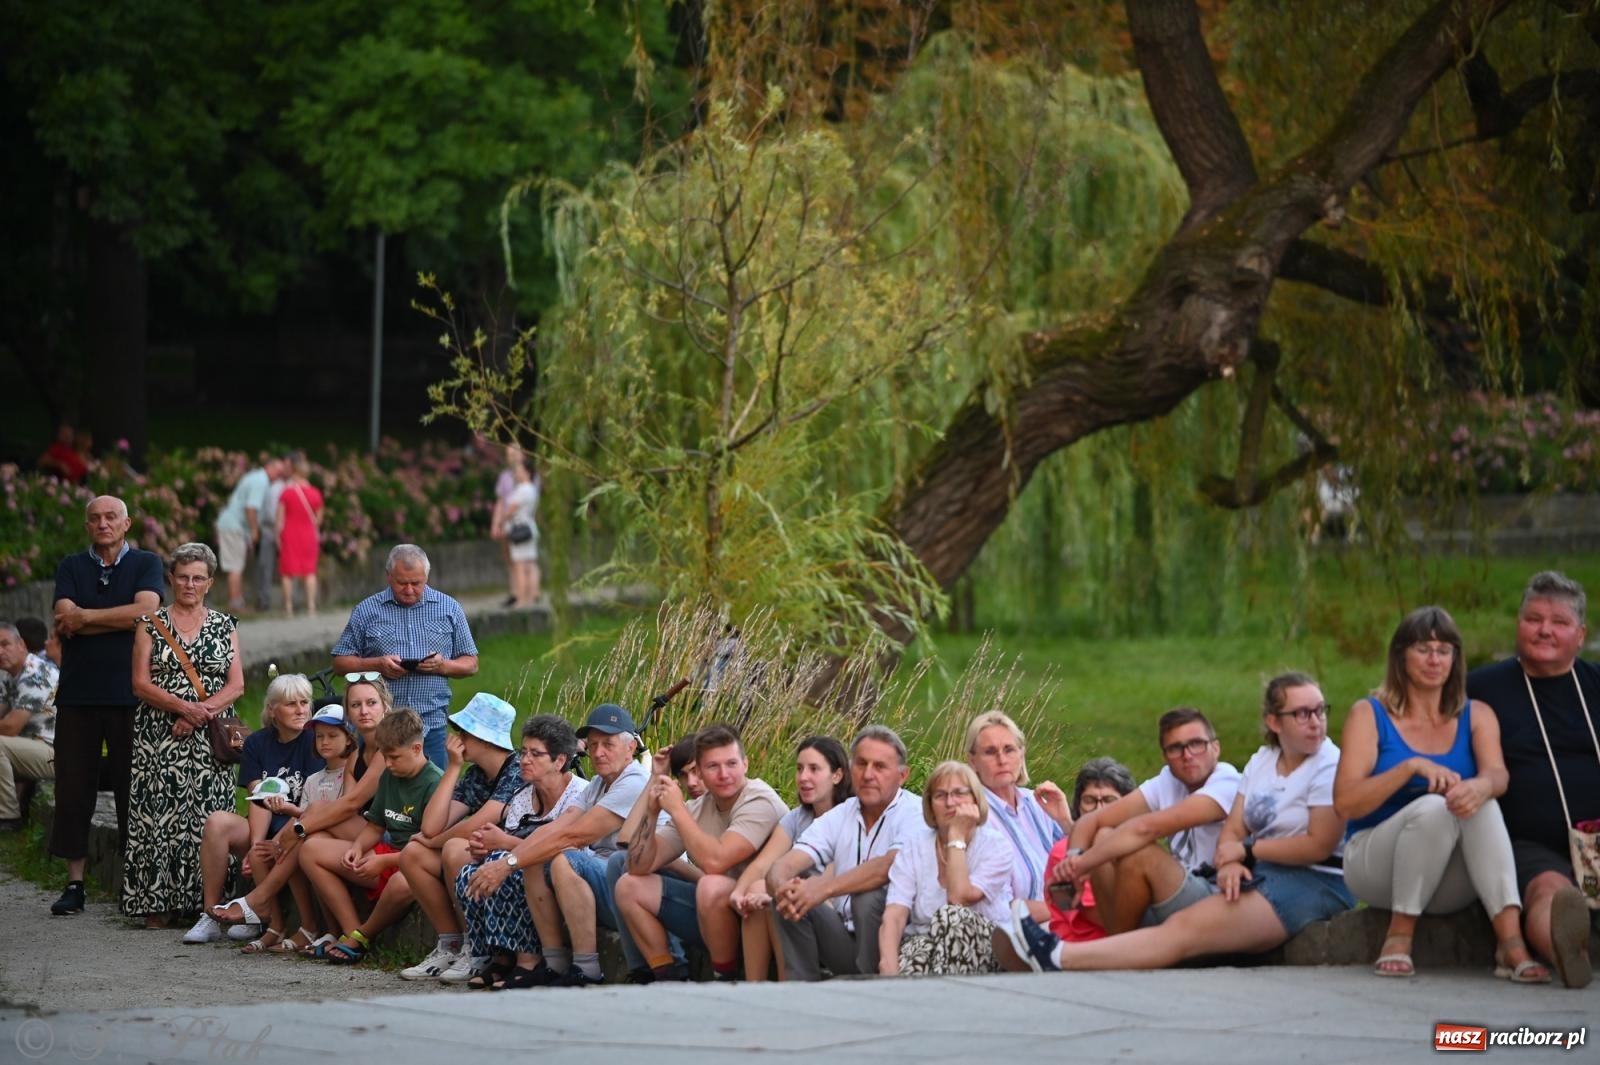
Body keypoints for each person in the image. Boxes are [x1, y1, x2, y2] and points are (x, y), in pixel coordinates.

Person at [998, 673, 1355, 972]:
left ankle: (1063, 956)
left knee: (1159, 891)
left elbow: (1319, 844)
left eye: (1320, 711)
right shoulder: (1263, 760)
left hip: (1313, 882)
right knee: (1109, 838)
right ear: (1273, 722)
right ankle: (1100, 950)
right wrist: (1232, 857)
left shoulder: (1324, 765)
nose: (1316, 721)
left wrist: (1077, 865)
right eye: (1303, 713)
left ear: (1216, 747)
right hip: (1241, 877)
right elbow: (1234, 827)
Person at [1333, 606, 1549, 982]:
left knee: (1478, 801)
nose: (1435, 659)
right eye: (1423, 648)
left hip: (1447, 879)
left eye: (1444, 650)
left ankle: (1510, 943)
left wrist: (1480, 786)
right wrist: (1409, 768)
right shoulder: (1369, 714)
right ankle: (1399, 935)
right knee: (1435, 806)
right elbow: (1346, 803)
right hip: (1374, 865)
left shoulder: (1477, 714)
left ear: (1455, 659)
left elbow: (1497, 775)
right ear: (1401, 656)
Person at [1468, 571, 1599, 989]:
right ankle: (1569, 950)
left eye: (1558, 623)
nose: (1544, 630)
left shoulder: (1596, 683)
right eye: (1533, 619)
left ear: (1580, 634)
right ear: (1518, 624)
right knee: (1548, 893)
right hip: (1529, 844)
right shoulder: (1481, 688)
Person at [462, 703, 650, 987]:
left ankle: (587, 970)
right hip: (611, 880)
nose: (598, 752)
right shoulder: (598, 784)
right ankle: (554, 965)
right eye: (594, 744)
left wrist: (507, 864)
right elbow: (554, 830)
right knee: (539, 856)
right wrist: (508, 860)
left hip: (639, 886)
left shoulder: (634, 782)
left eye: (608, 744)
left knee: (563, 857)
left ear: (631, 747)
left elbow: (573, 837)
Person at [208, 675, 395, 954]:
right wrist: (296, 834)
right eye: (355, 705)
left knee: (315, 818)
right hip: (360, 836)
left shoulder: (386, 748)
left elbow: (350, 805)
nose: (364, 711)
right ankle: (350, 934)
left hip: (389, 840)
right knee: (308, 849)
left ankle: (261, 898)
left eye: (371, 703)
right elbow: (343, 808)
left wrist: (294, 831)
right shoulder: (358, 754)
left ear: (385, 707)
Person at [49, 495, 165, 915]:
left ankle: (133, 883)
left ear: (127, 523)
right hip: (78, 694)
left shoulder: (147, 563)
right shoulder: (71, 567)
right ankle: (75, 883)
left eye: (111, 516)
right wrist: (114, 616)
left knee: (131, 787)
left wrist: (87, 618)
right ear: (87, 526)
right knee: (73, 786)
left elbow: (148, 611)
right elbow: (64, 614)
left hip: (129, 692)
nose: (103, 523)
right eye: (95, 518)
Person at [123, 543, 247, 929]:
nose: (189, 584)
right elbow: (140, 683)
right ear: (171, 580)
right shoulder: (149, 623)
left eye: (198, 578)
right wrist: (182, 708)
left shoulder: (226, 624)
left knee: (207, 816)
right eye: (182, 577)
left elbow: (237, 685)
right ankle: (156, 904)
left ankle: (205, 905)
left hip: (211, 737)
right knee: (158, 816)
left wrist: (198, 714)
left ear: (210, 582)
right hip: (159, 734)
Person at [615, 724, 788, 982]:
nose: (724, 774)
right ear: (701, 773)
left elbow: (715, 862)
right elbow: (638, 866)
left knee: (710, 885)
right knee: (628, 885)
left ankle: (724, 978)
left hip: (768, 914)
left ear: (746, 764)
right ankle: (667, 976)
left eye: (731, 764)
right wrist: (652, 809)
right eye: (713, 767)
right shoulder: (697, 807)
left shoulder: (759, 799)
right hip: (722, 914)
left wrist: (677, 810)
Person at [1048, 708, 1242, 935]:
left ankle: (1120, 948)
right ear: (1165, 756)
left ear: (1215, 748)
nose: (1187, 755)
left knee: (1142, 856)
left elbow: (1146, 828)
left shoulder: (1228, 783)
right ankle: (1122, 943)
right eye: (1175, 748)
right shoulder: (1168, 781)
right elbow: (1091, 821)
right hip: (1172, 895)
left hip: (1217, 899)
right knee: (1103, 836)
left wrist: (1081, 864)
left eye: (1196, 743)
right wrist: (1073, 860)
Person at [765, 725, 923, 981]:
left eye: (880, 767)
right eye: (861, 764)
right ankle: (801, 993)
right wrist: (782, 886)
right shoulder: (842, 813)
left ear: (902, 775)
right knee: (789, 897)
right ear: (851, 770)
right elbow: (787, 862)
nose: (868, 774)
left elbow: (889, 866)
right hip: (845, 939)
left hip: (898, 945)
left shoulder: (915, 812)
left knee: (868, 897)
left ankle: (870, 989)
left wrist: (823, 889)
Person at [181, 672, 319, 944]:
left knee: (278, 840)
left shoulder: (315, 740)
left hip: (298, 826)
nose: (301, 709)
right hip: (264, 825)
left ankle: (259, 914)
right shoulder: (258, 742)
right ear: (272, 710)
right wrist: (256, 845)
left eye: (304, 702)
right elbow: (259, 795)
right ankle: (210, 914)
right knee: (217, 823)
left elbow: (312, 804)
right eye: (291, 704)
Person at [452, 714, 586, 989]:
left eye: (536, 754)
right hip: (528, 862)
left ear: (559, 761)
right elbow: (512, 843)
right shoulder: (523, 797)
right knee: (469, 872)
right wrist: (484, 848)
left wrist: (501, 844)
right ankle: (501, 955)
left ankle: (529, 961)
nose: (525, 759)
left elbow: (568, 846)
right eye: (523, 752)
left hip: (568, 869)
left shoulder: (579, 795)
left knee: (505, 865)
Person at [302, 708, 444, 964]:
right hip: (386, 854)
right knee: (311, 849)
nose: (387, 764)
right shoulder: (391, 775)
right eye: (384, 757)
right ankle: (349, 930)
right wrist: (357, 847)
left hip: (413, 863)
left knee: (401, 883)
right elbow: (376, 825)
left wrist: (384, 862)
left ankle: (363, 935)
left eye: (393, 757)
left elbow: (431, 848)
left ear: (416, 749)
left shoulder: (435, 783)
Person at [397, 693, 522, 982]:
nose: (457, 737)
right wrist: (453, 768)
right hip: (482, 852)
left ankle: (476, 948)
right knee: (413, 855)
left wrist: (432, 841)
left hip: (509, 855)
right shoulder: (476, 774)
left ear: (484, 737)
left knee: (452, 847)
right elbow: (431, 825)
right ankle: (451, 944)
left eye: (464, 732)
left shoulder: (516, 770)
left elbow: (478, 823)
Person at [332, 544, 479, 768]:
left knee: (433, 794)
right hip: (380, 725)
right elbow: (340, 663)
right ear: (388, 576)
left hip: (430, 722)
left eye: (416, 583)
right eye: (402, 583)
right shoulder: (367, 610)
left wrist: (441, 666)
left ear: (426, 577)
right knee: (378, 796)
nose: (409, 590)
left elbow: (471, 664)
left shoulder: (449, 608)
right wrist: (377, 665)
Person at [730, 735, 851, 980]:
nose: (803, 777)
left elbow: (830, 883)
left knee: (774, 894)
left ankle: (790, 986)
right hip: (797, 903)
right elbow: (764, 863)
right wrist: (739, 893)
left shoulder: (850, 818)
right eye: (799, 769)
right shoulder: (797, 818)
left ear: (837, 775)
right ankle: (754, 988)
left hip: (832, 911)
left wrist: (771, 895)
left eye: (814, 769)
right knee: (756, 887)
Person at [880, 761, 1015, 976]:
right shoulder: (915, 846)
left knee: (952, 917)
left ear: (975, 799)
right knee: (915, 960)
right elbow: (895, 914)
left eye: (959, 793)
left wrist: (956, 837)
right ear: (930, 805)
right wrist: (888, 966)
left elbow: (959, 899)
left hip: (987, 943)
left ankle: (947, 1002)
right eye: (940, 796)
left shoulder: (996, 846)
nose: (950, 802)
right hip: (926, 941)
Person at [965, 710, 1073, 921]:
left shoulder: (1038, 802)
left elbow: (1081, 866)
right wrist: (1067, 912)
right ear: (972, 761)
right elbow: (999, 907)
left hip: (1062, 923)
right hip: (1017, 933)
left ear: (1021, 754)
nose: (1002, 759)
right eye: (989, 752)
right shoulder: (974, 816)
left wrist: (1065, 821)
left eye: (1009, 749)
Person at [1038, 757, 1137, 942]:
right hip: (1082, 951)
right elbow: (1090, 914)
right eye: (1090, 800)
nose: (1099, 809)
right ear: (1078, 806)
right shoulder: (1063, 853)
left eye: (1109, 800)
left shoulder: (1135, 846)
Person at [0, 621, 59, 831]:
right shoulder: (9, 675)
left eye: (5, 644)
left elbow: (9, 728)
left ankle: (7, 816)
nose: (0, 651)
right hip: (33, 749)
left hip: (57, 754)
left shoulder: (36, 674)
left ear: (22, 645)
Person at [215, 455, 285, 612]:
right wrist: (254, 531)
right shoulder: (261, 481)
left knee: (236, 564)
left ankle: (237, 601)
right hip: (234, 526)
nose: (279, 476)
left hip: (233, 525)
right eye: (278, 472)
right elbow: (251, 508)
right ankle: (236, 603)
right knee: (235, 566)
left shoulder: (257, 477)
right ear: (270, 467)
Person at [275, 452, 323, 617]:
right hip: (309, 535)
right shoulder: (316, 493)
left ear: (295, 472)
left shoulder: (286, 492)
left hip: (290, 535)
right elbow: (319, 519)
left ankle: (288, 608)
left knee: (288, 572)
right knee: (310, 572)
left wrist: (277, 537)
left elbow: (279, 519)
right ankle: (311, 607)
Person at [503, 460, 541, 607]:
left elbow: (512, 509)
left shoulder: (522, 489)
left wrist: (503, 519)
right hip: (530, 527)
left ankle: (522, 598)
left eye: (519, 470)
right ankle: (532, 595)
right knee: (530, 564)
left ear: (527, 472)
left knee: (520, 565)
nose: (516, 473)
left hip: (520, 528)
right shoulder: (532, 489)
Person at [490, 443, 523, 607]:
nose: (512, 458)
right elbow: (501, 501)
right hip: (506, 521)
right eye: (509, 454)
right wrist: (496, 523)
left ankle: (526, 594)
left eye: (514, 454)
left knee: (522, 559)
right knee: (510, 559)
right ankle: (514, 592)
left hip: (521, 521)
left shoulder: (528, 475)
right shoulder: (505, 476)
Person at [256, 454, 286, 612]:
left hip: (273, 529)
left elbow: (268, 513)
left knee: (267, 566)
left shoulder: (275, 487)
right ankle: (286, 602)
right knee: (271, 567)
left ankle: (265, 600)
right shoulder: (273, 486)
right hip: (274, 530)